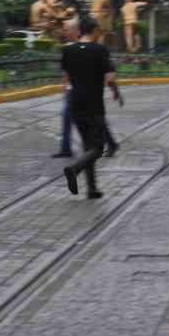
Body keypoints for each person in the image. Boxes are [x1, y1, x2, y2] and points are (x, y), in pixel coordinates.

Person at [59, 15, 122, 200]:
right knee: (98, 148)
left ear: (80, 31)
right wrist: (115, 91)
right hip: (94, 104)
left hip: (75, 103)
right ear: (94, 31)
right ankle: (74, 169)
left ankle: (92, 189)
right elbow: (110, 78)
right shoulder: (100, 50)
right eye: (98, 30)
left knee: (88, 145)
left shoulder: (68, 51)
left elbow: (66, 79)